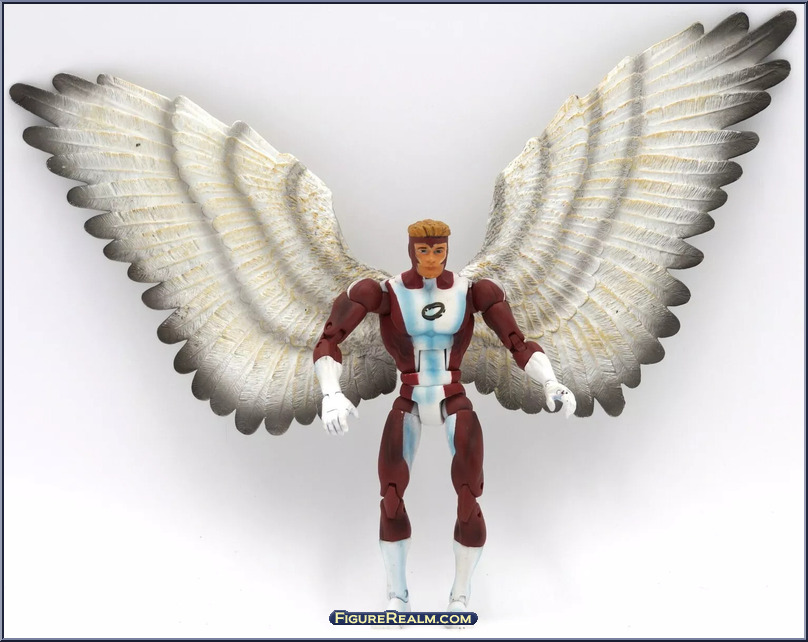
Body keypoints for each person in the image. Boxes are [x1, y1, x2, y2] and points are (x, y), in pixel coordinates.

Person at [312, 219, 575, 615]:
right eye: (423, 251)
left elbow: (516, 343)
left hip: (454, 397)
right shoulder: (383, 293)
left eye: (438, 250)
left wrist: (550, 381)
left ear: (447, 249)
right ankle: (398, 595)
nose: (431, 258)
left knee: (469, 496)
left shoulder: (473, 292)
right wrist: (331, 393)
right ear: (410, 250)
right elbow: (330, 339)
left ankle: (461, 594)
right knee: (390, 497)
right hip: (409, 397)